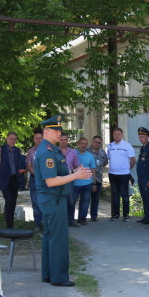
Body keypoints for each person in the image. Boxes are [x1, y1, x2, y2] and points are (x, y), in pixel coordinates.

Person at [35, 115, 92, 287]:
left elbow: (58, 175)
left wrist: (74, 171)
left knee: (50, 236)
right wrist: (75, 176)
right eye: (55, 130)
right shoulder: (47, 152)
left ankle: (48, 274)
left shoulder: (51, 149)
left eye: (60, 130)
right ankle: (59, 277)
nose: (59, 133)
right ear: (46, 131)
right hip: (53, 199)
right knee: (58, 238)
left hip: (54, 198)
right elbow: (50, 181)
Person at [107, 127, 136, 221]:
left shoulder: (127, 145)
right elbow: (110, 159)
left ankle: (126, 215)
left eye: (118, 134)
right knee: (115, 194)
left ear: (122, 135)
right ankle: (115, 214)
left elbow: (133, 160)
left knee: (124, 194)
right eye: (115, 134)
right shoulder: (110, 146)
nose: (116, 136)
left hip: (123, 174)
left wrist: (126, 169)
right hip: (112, 174)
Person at [0, 131, 26, 228]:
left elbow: (18, 164)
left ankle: (11, 224)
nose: (13, 141)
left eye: (15, 139)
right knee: (9, 200)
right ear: (7, 138)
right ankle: (8, 225)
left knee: (13, 201)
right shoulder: (0, 149)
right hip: (5, 179)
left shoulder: (17, 150)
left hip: (15, 179)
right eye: (11, 139)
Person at [58, 133, 81, 227]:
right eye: (62, 139)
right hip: (58, 180)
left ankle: (71, 220)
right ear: (59, 141)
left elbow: (76, 166)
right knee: (59, 201)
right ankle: (60, 222)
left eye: (65, 140)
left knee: (70, 201)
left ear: (68, 141)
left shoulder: (73, 152)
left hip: (70, 180)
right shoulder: (55, 152)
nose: (63, 141)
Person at [73, 136, 97, 225]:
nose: (83, 145)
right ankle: (70, 219)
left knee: (85, 202)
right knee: (72, 201)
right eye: (82, 143)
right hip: (75, 182)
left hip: (87, 183)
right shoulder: (73, 153)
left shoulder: (90, 155)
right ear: (78, 144)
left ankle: (82, 218)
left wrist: (94, 183)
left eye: (85, 144)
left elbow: (93, 169)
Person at [136, 127, 149, 224]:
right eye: (140, 137)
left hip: (147, 177)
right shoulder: (143, 148)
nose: (141, 138)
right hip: (141, 177)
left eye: (143, 137)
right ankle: (146, 216)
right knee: (144, 197)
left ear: (147, 137)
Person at [26, 130, 44, 230]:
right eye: (36, 138)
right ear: (34, 139)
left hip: (46, 180)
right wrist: (36, 175)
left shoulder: (47, 150)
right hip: (35, 179)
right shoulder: (31, 151)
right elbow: (28, 166)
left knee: (45, 201)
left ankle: (45, 222)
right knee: (36, 203)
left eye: (40, 138)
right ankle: (37, 224)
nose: (38, 140)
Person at [89, 135, 107, 222]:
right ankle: (82, 217)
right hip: (87, 179)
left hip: (99, 179)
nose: (97, 144)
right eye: (95, 142)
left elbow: (105, 163)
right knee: (86, 199)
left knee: (96, 199)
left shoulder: (103, 152)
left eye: (99, 142)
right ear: (92, 142)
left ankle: (94, 216)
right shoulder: (87, 150)